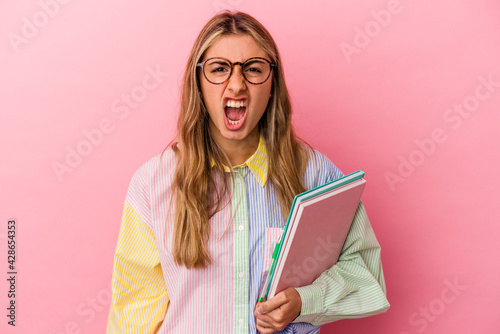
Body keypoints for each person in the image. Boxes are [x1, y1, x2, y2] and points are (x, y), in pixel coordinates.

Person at [106, 11, 389, 334]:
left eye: (253, 69)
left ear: (272, 84)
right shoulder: (152, 185)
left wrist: (305, 301)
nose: (237, 84)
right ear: (198, 82)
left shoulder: (316, 175)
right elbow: (132, 315)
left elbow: (366, 273)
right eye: (219, 69)